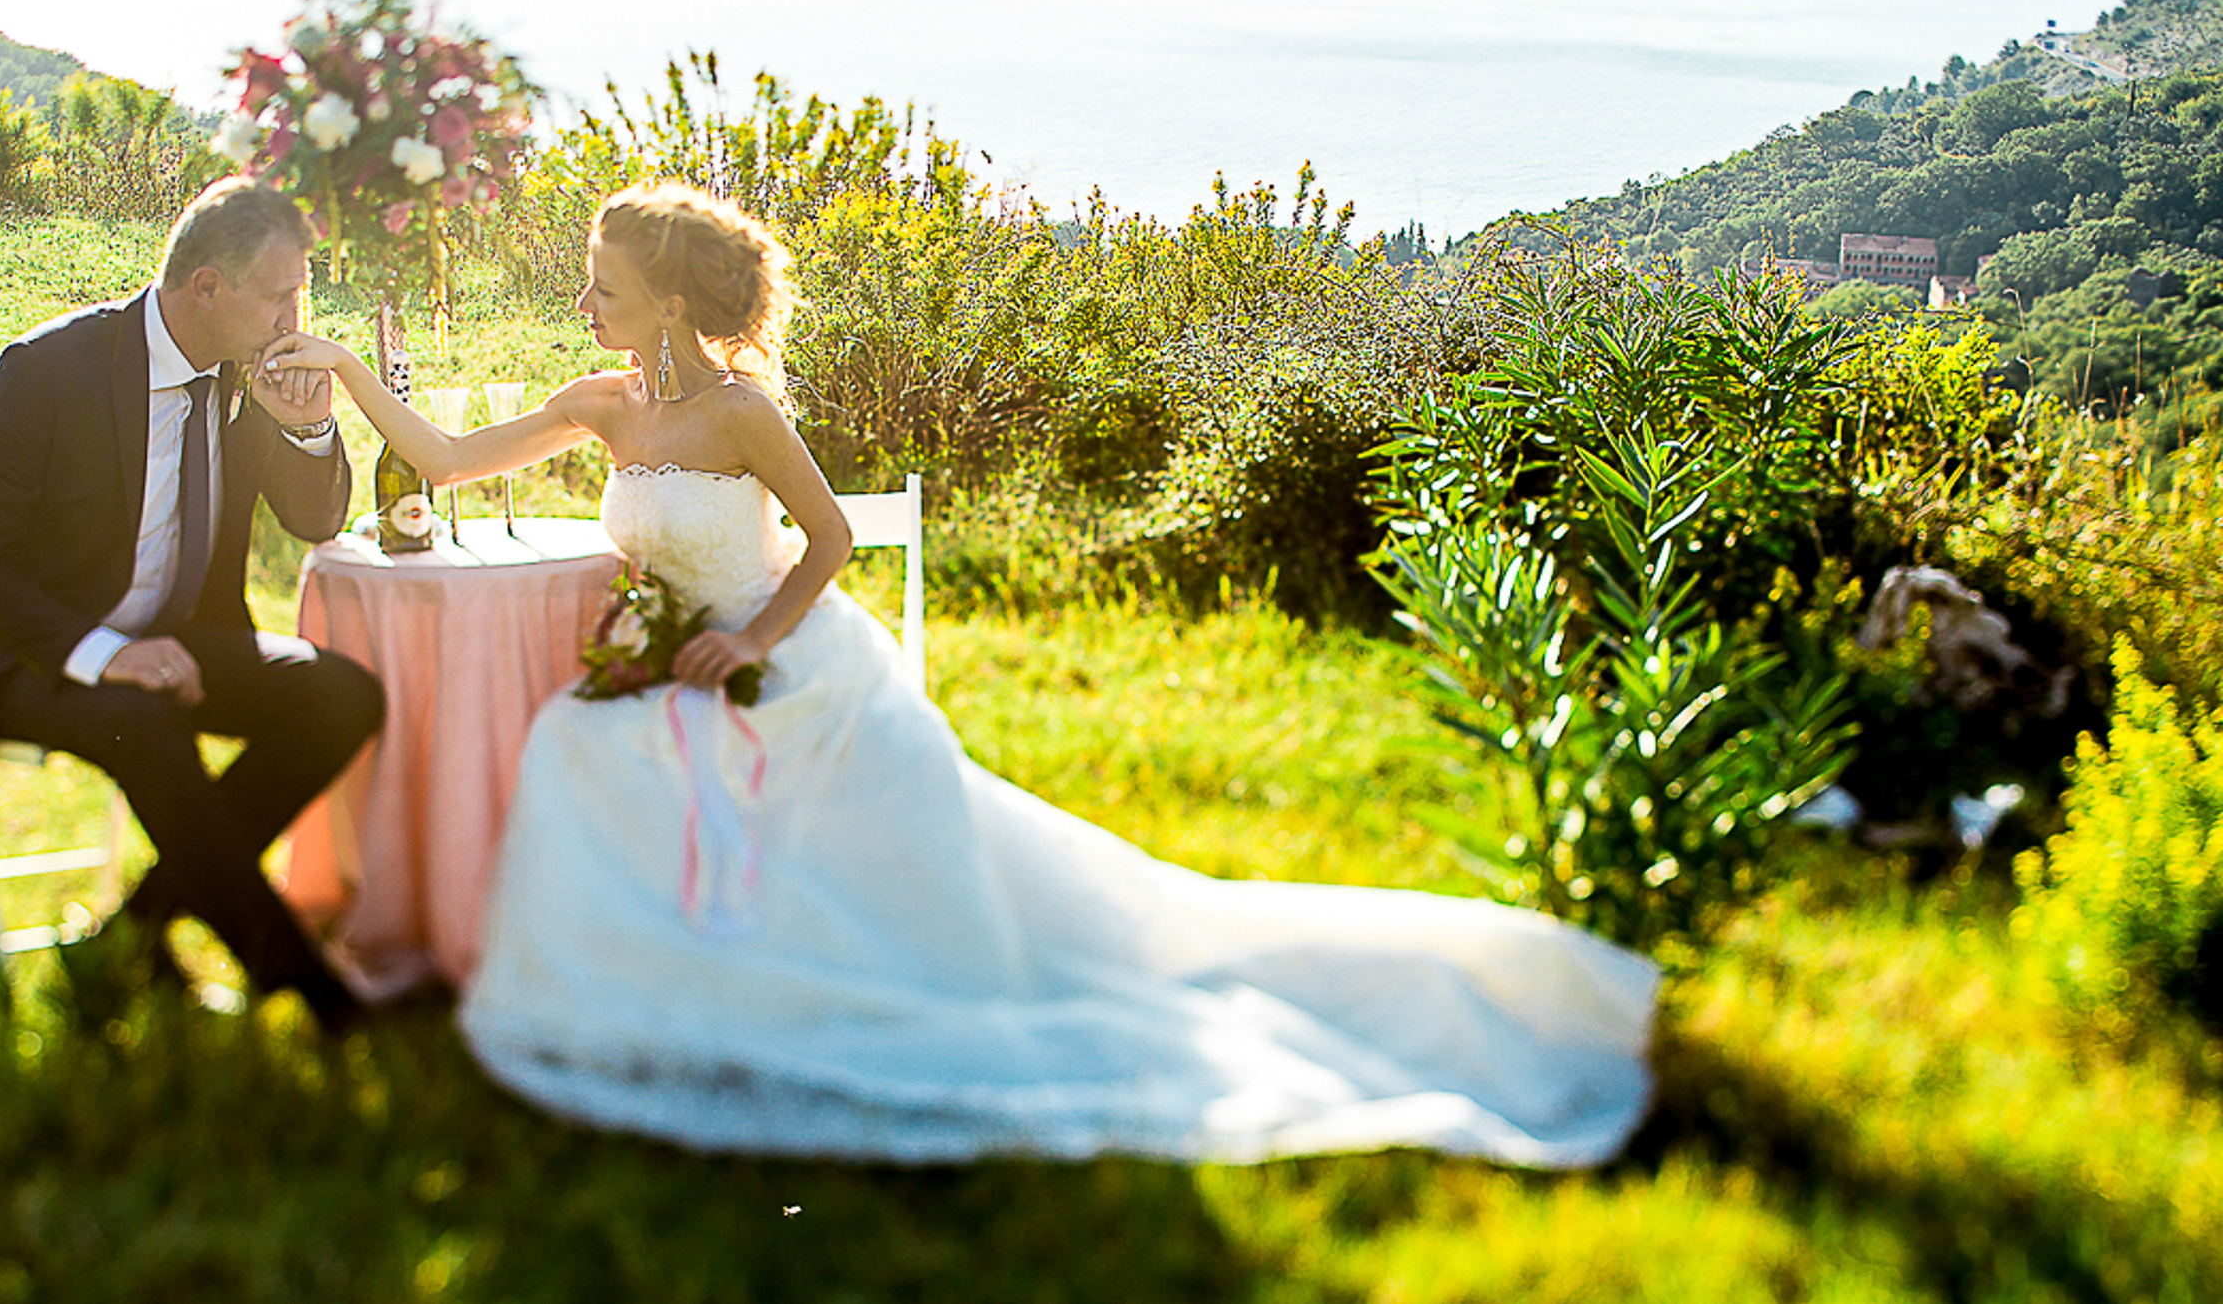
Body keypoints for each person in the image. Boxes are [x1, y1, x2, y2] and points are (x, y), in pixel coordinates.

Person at [257, 181, 1658, 1162]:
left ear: (671, 296)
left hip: (780, 658)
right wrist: (338, 364)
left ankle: (770, 993)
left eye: (603, 285)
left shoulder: (743, 411)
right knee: (573, 749)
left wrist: (745, 635)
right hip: (665, 671)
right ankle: (640, 1003)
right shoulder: (601, 402)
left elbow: (823, 547)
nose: (584, 300)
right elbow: (442, 460)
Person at [0, 177, 383, 1028]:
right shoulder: (46, 373)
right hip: (31, 653)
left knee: (342, 695)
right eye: (280, 294)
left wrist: (309, 427)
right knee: (143, 720)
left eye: (302, 291)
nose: (297, 316)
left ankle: (129, 933)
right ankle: (307, 986)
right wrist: (109, 654)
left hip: (181, 638)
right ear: (207, 286)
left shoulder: (247, 373)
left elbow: (315, 518)